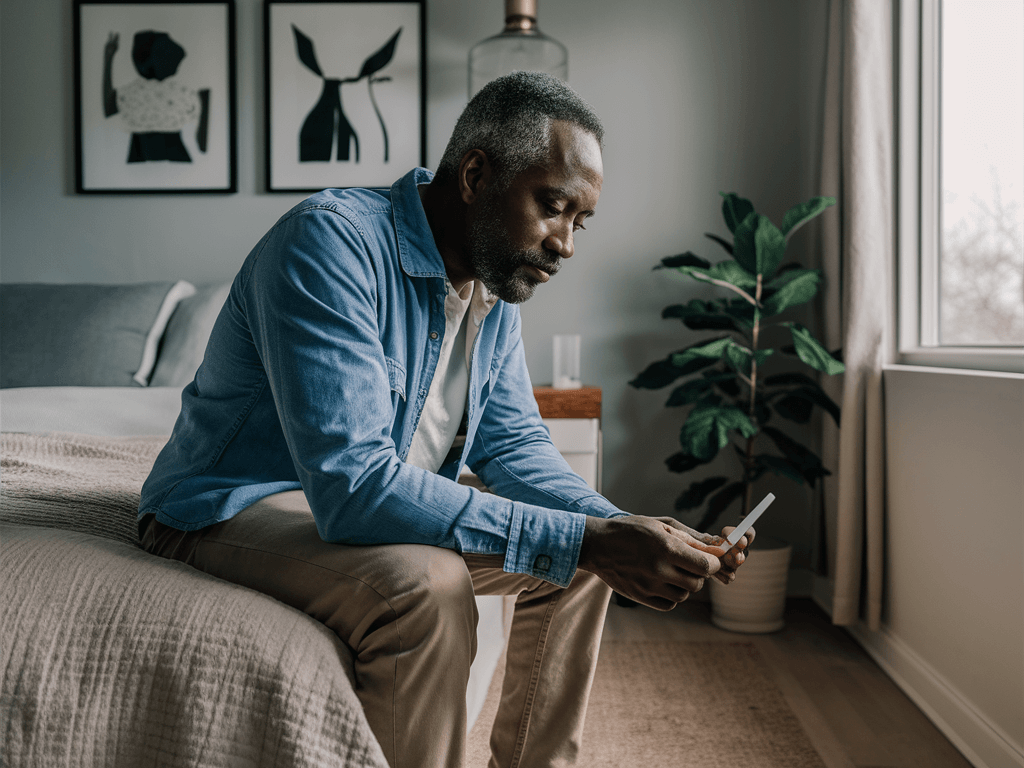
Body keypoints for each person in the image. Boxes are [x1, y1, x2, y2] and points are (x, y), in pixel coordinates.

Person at [138, 72, 753, 768]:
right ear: (475, 175)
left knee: (580, 563)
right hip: (224, 506)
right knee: (430, 586)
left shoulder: (495, 287)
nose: (566, 244)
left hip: (346, 501)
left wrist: (619, 530)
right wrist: (591, 536)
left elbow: (515, 445)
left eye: (579, 222)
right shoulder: (329, 244)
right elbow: (353, 488)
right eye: (553, 207)